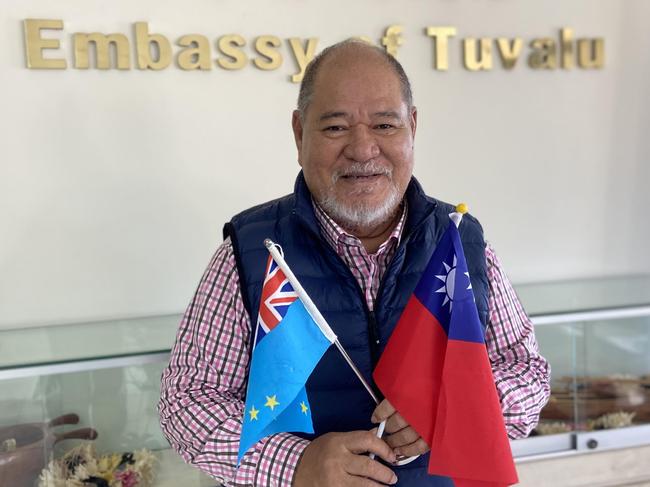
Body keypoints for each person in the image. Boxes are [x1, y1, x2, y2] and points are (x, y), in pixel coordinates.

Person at [158, 39, 550, 487]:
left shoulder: (458, 240)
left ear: (413, 127)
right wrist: (296, 464)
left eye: (385, 124)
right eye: (336, 128)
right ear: (299, 133)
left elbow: (526, 373)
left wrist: (451, 410)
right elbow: (186, 403)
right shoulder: (254, 251)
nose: (363, 150)